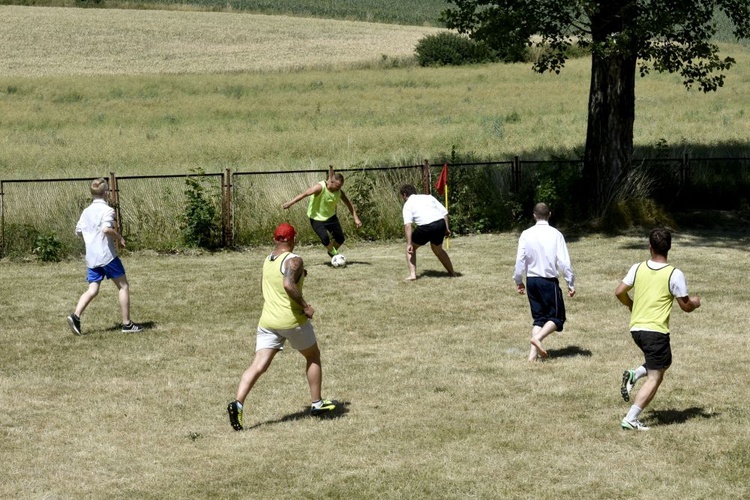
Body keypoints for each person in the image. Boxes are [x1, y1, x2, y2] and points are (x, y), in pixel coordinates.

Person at [227, 223, 336, 431]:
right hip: (291, 320)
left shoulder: (268, 260)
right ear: (293, 239)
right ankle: (317, 403)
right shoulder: (294, 259)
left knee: (258, 365)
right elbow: (287, 284)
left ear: (275, 239)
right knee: (313, 356)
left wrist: (300, 274)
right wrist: (306, 306)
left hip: (268, 320)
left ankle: (238, 403)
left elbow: (271, 283)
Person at [615, 227, 701, 431]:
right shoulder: (674, 273)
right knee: (656, 376)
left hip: (636, 329)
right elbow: (686, 306)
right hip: (655, 331)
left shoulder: (638, 267)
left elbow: (619, 292)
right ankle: (631, 418)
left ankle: (634, 374)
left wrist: (630, 304)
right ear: (669, 248)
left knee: (663, 362)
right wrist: (696, 302)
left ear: (650, 247)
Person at [66, 178, 143, 335]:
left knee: (93, 289)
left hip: (92, 257)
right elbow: (106, 229)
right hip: (106, 256)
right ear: (106, 193)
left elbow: (78, 231)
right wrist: (119, 237)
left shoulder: (85, 211)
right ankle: (127, 324)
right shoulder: (107, 210)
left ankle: (76, 316)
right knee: (123, 286)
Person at [513, 202, 575, 362]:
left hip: (532, 280)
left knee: (539, 318)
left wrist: (518, 280)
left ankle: (532, 357)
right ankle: (538, 338)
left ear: (534, 215)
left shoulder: (526, 234)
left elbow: (520, 260)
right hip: (548, 281)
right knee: (557, 317)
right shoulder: (556, 234)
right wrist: (570, 282)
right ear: (550, 214)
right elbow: (564, 262)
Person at [282, 172, 362, 258]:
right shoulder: (319, 187)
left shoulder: (339, 192)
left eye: (340, 186)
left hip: (331, 217)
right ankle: (335, 255)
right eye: (337, 186)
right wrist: (290, 203)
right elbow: (304, 194)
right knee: (325, 238)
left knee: (340, 239)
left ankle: (332, 252)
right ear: (331, 182)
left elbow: (349, 204)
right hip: (316, 218)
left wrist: (356, 219)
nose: (339, 188)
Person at [399, 184, 456, 281]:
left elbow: (408, 225)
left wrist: (409, 243)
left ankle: (413, 275)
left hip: (426, 226)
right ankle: (452, 273)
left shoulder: (408, 204)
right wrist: (446, 229)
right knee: (438, 250)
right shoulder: (429, 197)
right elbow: (444, 213)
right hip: (440, 223)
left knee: (410, 248)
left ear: (405, 195)